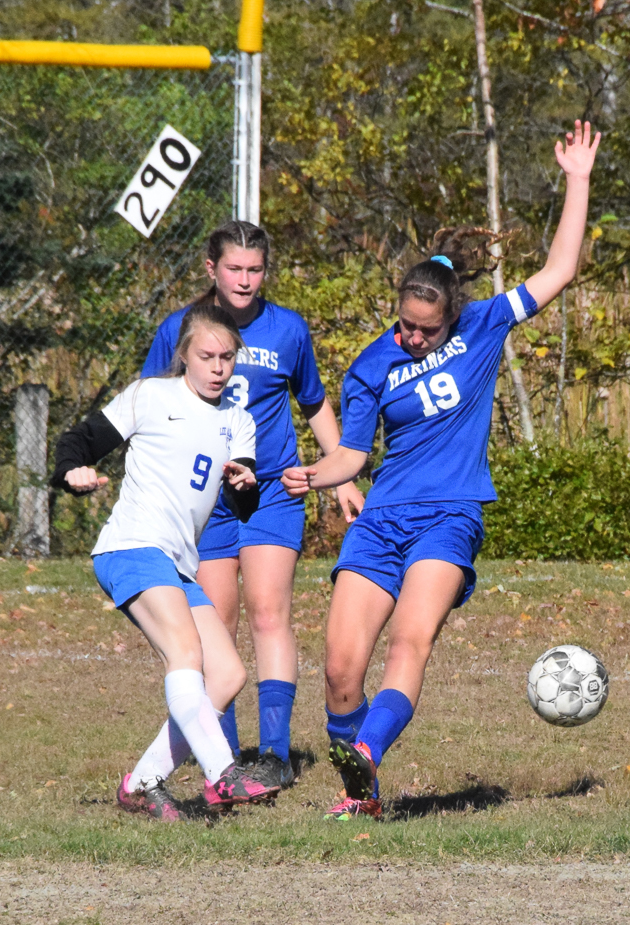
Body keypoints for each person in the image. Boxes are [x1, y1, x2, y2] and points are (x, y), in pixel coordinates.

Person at [282, 120, 600, 820]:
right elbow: (355, 455)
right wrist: (318, 474)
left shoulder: (484, 324)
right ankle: (357, 783)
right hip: (383, 518)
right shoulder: (373, 363)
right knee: (338, 671)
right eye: (405, 325)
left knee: (411, 638)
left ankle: (363, 764)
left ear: (450, 316)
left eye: (425, 329)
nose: (412, 337)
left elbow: (559, 271)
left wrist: (576, 179)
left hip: (451, 513)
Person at [141, 222, 363, 791]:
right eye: (234, 269)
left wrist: (338, 473)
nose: (245, 280)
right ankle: (227, 755)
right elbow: (150, 408)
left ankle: (275, 754)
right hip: (204, 499)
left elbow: (313, 404)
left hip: (271, 492)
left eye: (255, 269)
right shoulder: (179, 330)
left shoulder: (288, 329)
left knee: (269, 611)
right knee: (217, 622)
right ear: (211, 270)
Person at [51, 301, 280, 819]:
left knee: (226, 675)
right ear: (184, 356)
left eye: (227, 357)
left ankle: (142, 783)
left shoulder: (238, 421)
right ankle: (223, 772)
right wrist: (72, 473)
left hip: (177, 562)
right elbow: (78, 441)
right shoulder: (151, 397)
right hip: (132, 546)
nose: (219, 367)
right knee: (186, 655)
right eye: (207, 356)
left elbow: (243, 500)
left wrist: (247, 484)